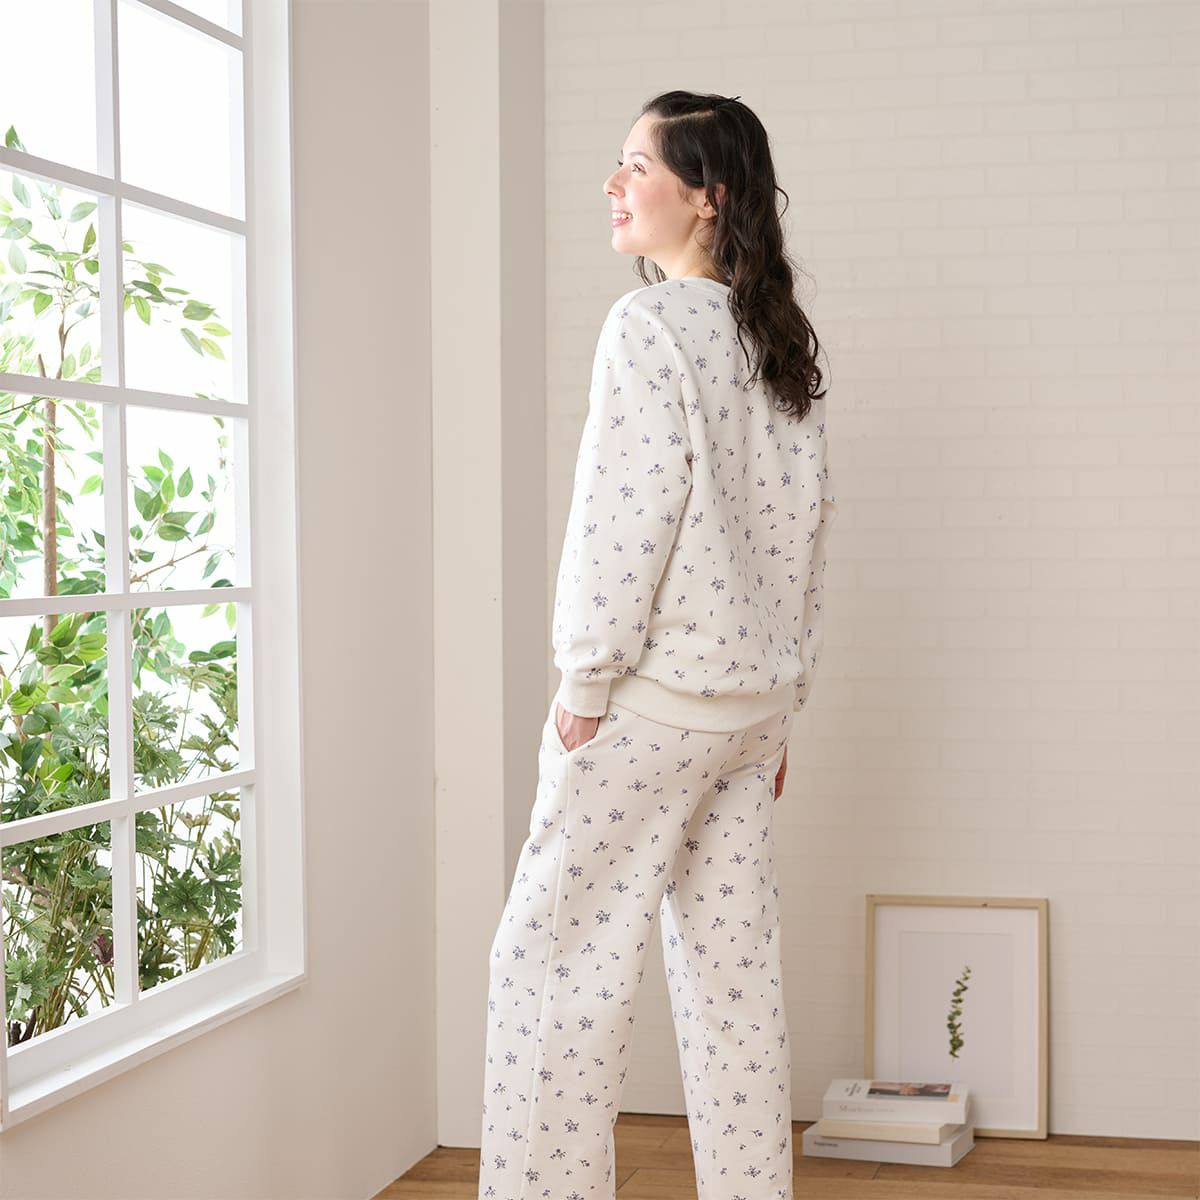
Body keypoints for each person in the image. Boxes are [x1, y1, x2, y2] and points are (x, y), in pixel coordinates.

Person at [478, 90, 838, 1200]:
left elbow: (621, 520)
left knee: (552, 973)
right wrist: (785, 709)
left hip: (652, 708)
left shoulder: (648, 327)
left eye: (638, 166)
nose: (614, 184)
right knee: (734, 988)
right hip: (750, 719)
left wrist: (584, 681)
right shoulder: (780, 344)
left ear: (707, 196)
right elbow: (807, 538)